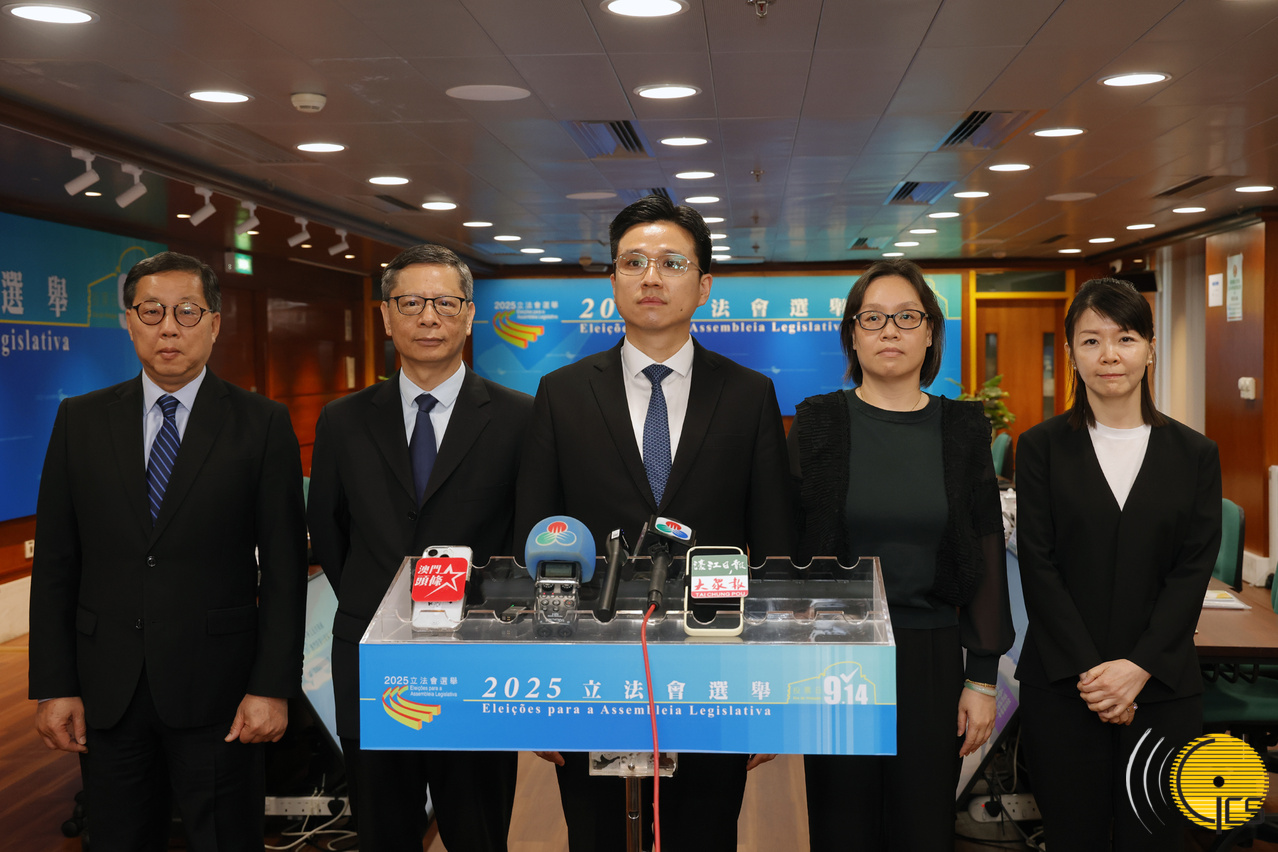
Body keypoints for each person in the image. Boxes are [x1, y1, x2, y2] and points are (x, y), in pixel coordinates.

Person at [515, 195, 792, 851]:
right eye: (633, 262)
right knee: (598, 835)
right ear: (612, 280)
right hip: (591, 667)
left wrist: (769, 701)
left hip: (714, 661)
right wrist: (542, 693)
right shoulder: (561, 394)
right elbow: (536, 542)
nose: (651, 277)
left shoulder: (749, 394)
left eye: (672, 263)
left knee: (705, 832)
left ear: (704, 285)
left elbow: (775, 548)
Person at [28, 250, 308, 851]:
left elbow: (285, 570)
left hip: (221, 690)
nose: (169, 328)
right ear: (129, 321)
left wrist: (272, 687)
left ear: (215, 322)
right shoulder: (80, 421)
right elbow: (55, 564)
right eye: (151, 311)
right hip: (108, 690)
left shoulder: (261, 424)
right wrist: (55, 685)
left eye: (187, 311)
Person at [307, 244, 532, 852]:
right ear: (386, 316)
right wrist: (377, 601)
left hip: (476, 658)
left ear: (469, 314)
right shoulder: (343, 420)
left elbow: (522, 538)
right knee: (383, 832)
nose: (428, 317)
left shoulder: (520, 418)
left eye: (444, 303)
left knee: (478, 832)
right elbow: (328, 528)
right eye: (410, 303)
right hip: (372, 656)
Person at [788, 258, 1014, 850]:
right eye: (873, 318)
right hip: (834, 656)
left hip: (931, 654)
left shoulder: (963, 429)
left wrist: (982, 677)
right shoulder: (817, 424)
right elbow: (786, 551)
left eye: (907, 317)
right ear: (852, 335)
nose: (890, 331)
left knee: (922, 827)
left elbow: (987, 551)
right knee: (841, 828)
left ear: (931, 332)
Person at [1015, 277, 1221, 851]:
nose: (1109, 355)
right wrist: (1095, 676)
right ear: (1072, 354)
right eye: (1091, 340)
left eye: (1125, 338)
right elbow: (1038, 566)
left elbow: (1192, 572)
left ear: (1150, 348)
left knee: (1157, 839)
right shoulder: (1040, 447)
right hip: (1064, 686)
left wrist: (1137, 669)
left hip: (1162, 687)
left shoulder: (1195, 454)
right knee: (1072, 836)